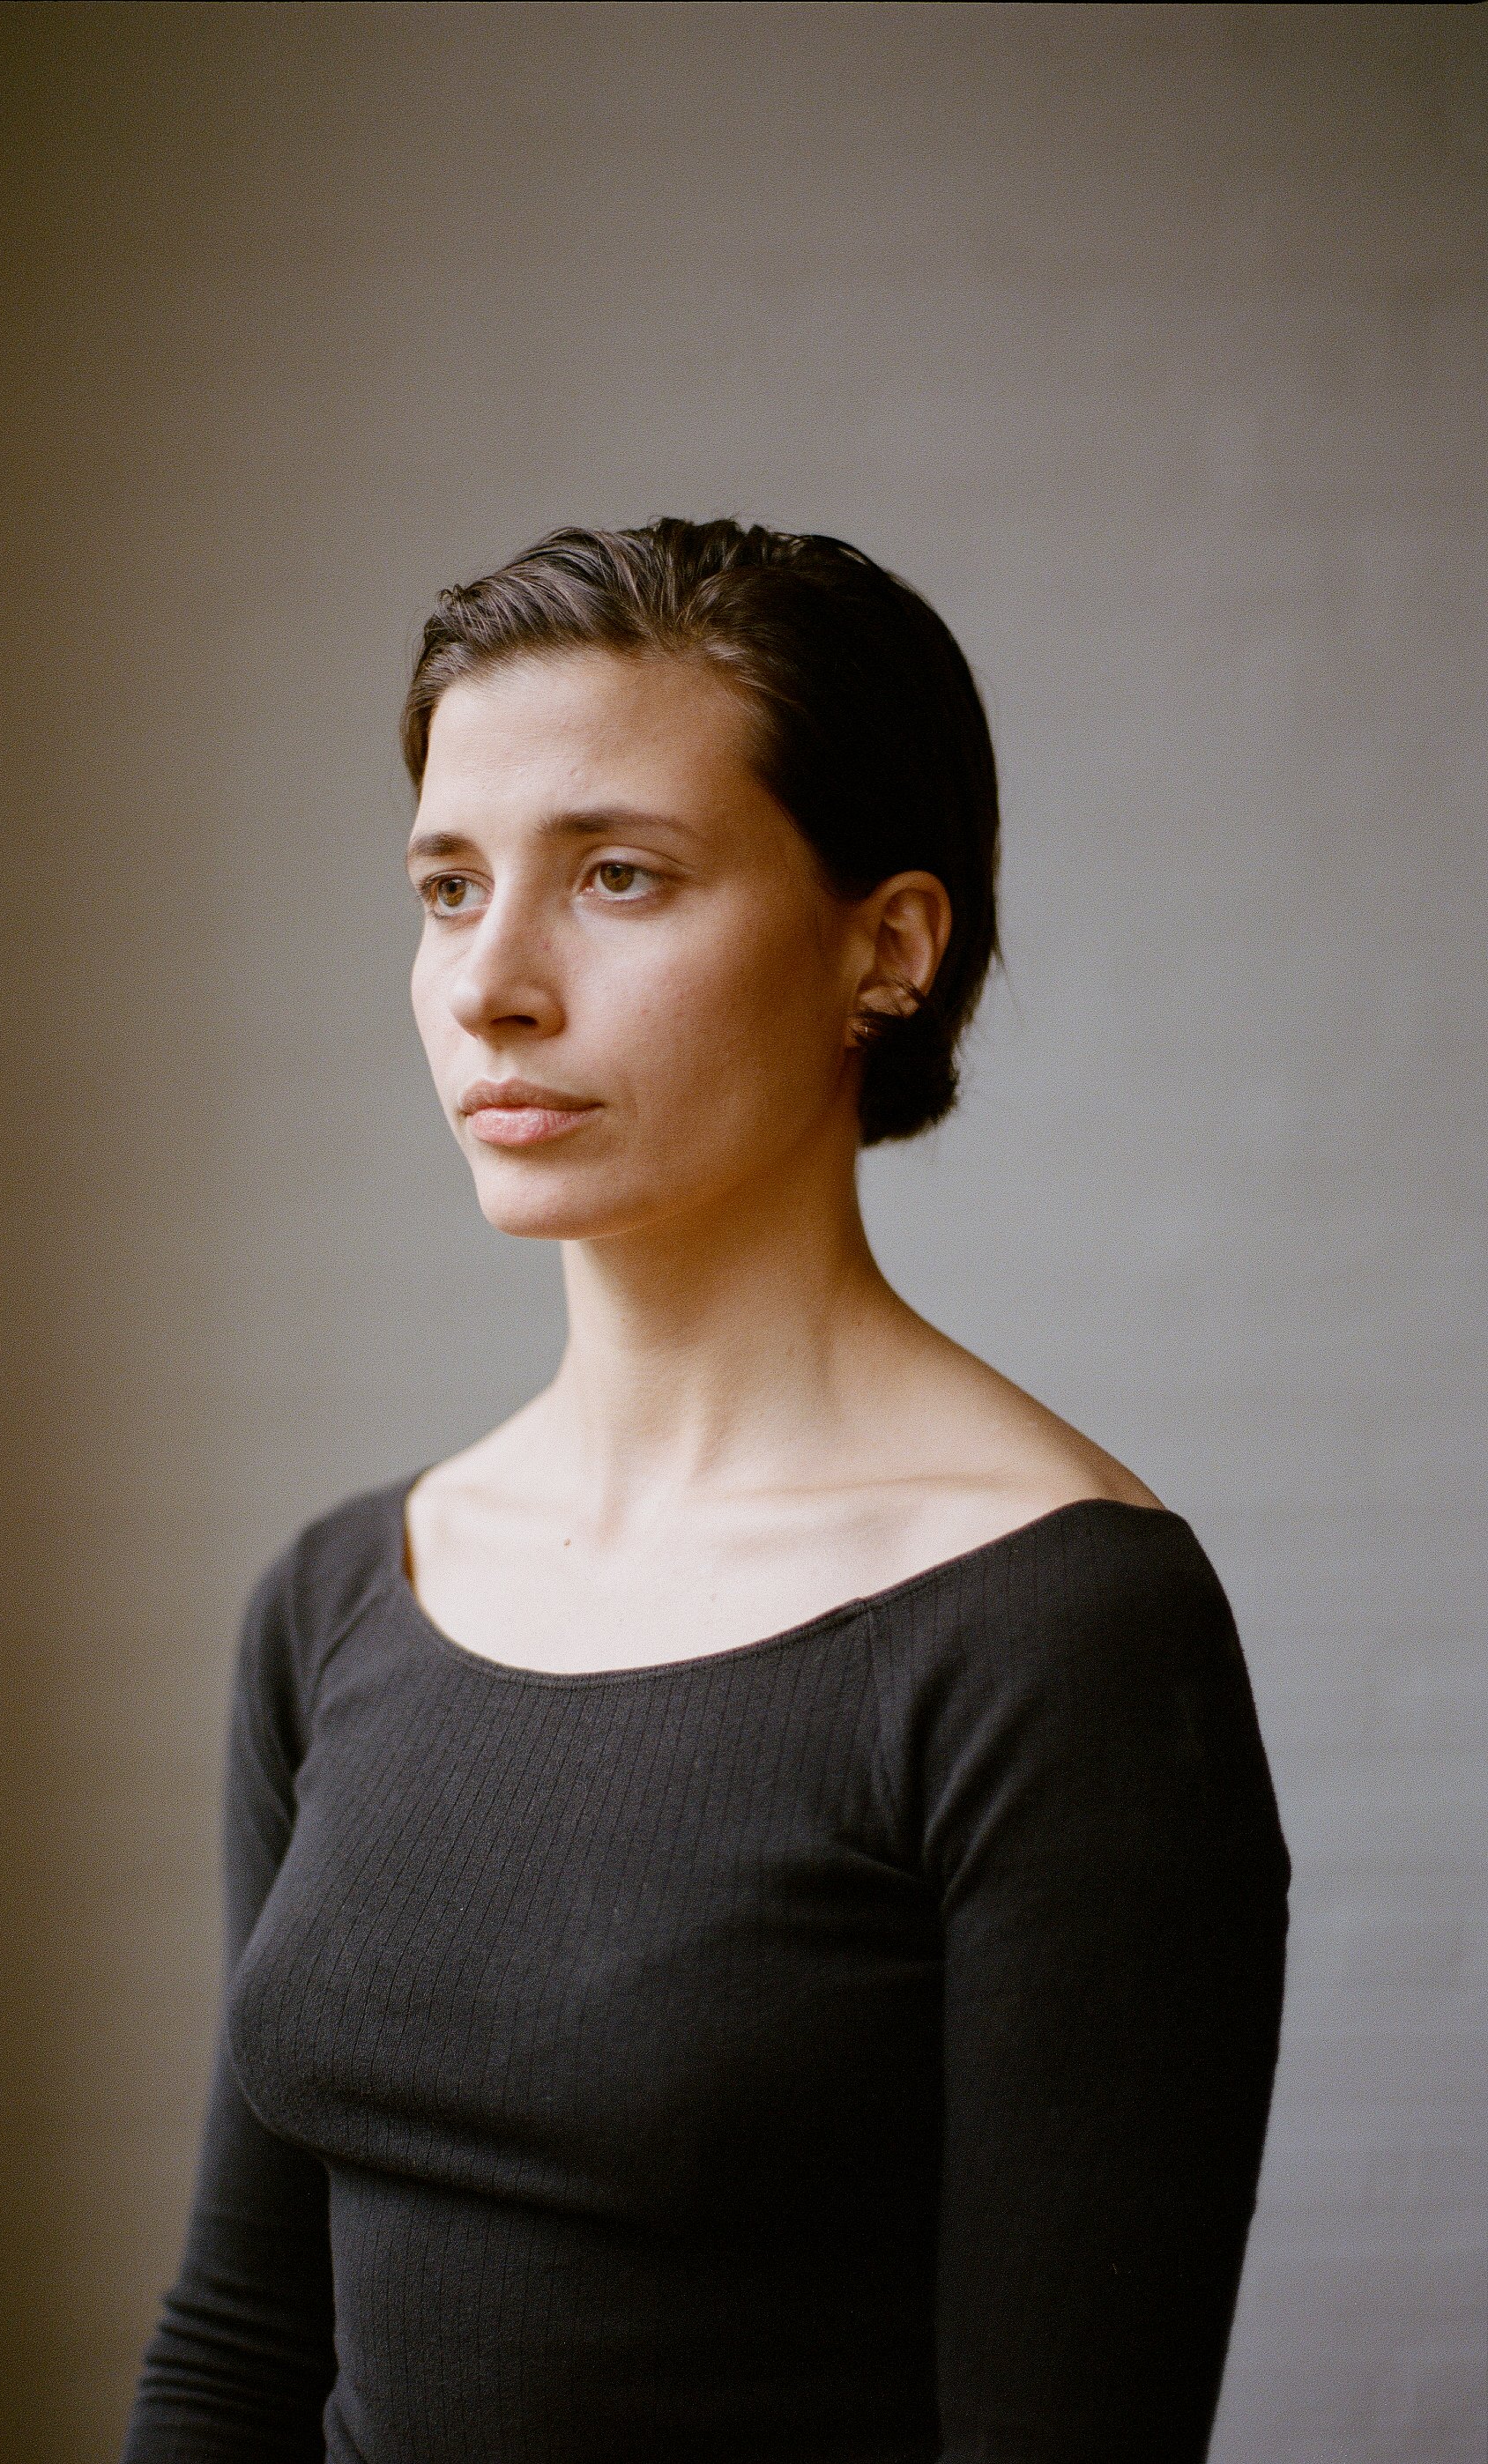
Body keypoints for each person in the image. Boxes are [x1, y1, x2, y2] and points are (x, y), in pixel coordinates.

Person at [121, 519, 1291, 2464]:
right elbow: (240, 2343)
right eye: (444, 885)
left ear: (886, 946)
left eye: (617, 877)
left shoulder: (1061, 1640)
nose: (491, 983)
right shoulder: (343, 1596)